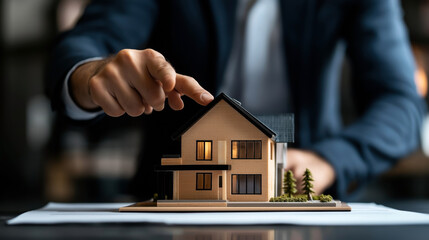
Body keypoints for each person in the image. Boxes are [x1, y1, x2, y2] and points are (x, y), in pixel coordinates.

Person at [47, 0, 426, 200]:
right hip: (169, 204)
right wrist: (89, 75)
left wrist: (328, 160)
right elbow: (85, 44)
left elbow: (400, 105)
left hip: (307, 204)